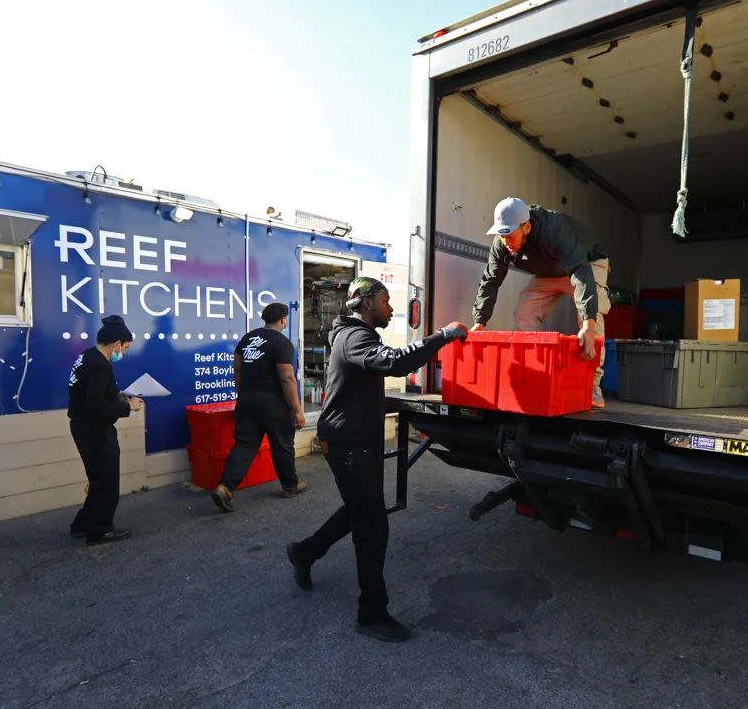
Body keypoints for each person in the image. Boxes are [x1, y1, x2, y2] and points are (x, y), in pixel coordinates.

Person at [286, 277, 468, 642]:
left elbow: (363, 383)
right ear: (366, 303)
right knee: (372, 527)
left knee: (359, 510)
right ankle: (371, 615)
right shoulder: (356, 337)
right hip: (349, 444)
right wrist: (443, 336)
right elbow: (394, 363)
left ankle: (304, 552)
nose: (390, 308)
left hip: (351, 440)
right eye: (385, 300)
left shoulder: (353, 335)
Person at [471, 196, 611, 409]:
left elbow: (580, 272)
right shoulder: (502, 244)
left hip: (586, 264)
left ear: (526, 227)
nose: (505, 241)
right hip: (551, 270)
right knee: (524, 312)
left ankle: (592, 384)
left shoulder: (554, 229)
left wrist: (587, 324)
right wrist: (479, 322)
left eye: (510, 235)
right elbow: (490, 281)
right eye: (501, 235)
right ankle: (540, 373)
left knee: (590, 317)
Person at [212, 303, 307, 511]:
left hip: (247, 400)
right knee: (282, 444)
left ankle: (225, 487)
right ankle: (290, 485)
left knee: (244, 445)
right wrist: (298, 410)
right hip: (273, 403)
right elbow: (287, 379)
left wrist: (242, 394)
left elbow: (237, 370)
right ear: (283, 319)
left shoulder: (247, 339)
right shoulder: (282, 343)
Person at [67, 315, 143, 545]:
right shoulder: (100, 366)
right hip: (95, 431)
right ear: (116, 343)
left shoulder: (87, 356)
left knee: (98, 478)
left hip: (82, 427)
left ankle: (82, 525)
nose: (125, 353)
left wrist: (119, 396)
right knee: (107, 482)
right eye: (125, 347)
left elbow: (94, 394)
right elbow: (96, 405)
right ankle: (99, 530)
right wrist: (127, 406)